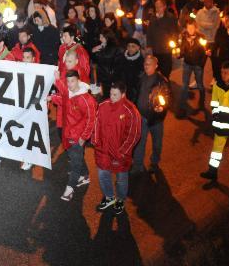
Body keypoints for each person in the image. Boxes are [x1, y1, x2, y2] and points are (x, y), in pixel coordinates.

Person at [93, 81, 142, 216]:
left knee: (121, 179)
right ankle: (109, 197)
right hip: (103, 151)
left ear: (123, 94)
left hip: (120, 154)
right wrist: (96, 142)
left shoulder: (131, 111)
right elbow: (96, 124)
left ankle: (120, 199)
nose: (112, 97)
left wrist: (123, 152)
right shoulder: (103, 106)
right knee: (103, 175)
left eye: (115, 95)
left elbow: (134, 134)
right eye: (110, 94)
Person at [49, 70, 97, 201]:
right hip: (67, 134)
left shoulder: (87, 100)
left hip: (77, 137)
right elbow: (63, 99)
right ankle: (85, 175)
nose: (70, 84)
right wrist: (51, 96)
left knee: (75, 164)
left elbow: (91, 120)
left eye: (73, 81)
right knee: (75, 156)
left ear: (78, 80)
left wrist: (83, 137)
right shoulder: (68, 93)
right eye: (68, 81)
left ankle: (69, 189)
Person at [132, 55, 170, 174]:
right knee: (140, 143)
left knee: (157, 143)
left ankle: (154, 162)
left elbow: (167, 98)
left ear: (156, 66)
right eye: (145, 64)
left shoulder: (161, 81)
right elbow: (135, 93)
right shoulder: (140, 77)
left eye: (149, 64)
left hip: (155, 119)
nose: (146, 66)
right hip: (141, 117)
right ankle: (138, 165)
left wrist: (162, 108)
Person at [177, 18, 208, 118]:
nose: (190, 30)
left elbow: (205, 52)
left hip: (198, 65)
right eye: (188, 28)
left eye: (192, 28)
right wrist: (178, 54)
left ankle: (201, 103)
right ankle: (182, 107)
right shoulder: (183, 36)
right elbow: (182, 51)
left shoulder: (201, 37)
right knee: (184, 85)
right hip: (187, 64)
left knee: (200, 84)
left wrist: (201, 63)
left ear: (196, 28)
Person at [146, 0, 179, 79]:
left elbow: (175, 32)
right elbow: (149, 32)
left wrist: (173, 43)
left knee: (166, 69)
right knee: (157, 68)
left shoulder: (170, 18)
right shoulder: (153, 18)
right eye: (156, 6)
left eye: (159, 6)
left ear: (164, 7)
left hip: (166, 49)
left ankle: (166, 84)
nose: (157, 8)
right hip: (156, 49)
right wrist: (149, 45)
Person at [92, 29, 121, 100]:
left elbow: (106, 57)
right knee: (104, 96)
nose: (100, 39)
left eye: (102, 37)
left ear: (107, 37)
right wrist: (94, 52)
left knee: (109, 96)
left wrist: (98, 52)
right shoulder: (102, 46)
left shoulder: (113, 47)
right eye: (100, 37)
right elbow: (96, 61)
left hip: (109, 77)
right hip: (103, 76)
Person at [116, 38, 144, 102]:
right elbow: (118, 71)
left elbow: (140, 76)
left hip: (134, 90)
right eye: (128, 46)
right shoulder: (122, 58)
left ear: (138, 48)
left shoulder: (141, 61)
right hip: (123, 88)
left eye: (133, 46)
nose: (130, 48)